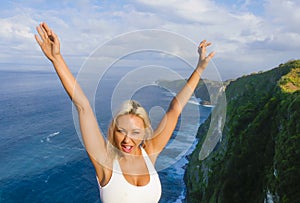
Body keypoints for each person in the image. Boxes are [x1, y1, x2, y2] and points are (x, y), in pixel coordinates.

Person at [35, 22, 215, 203]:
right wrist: (57, 59)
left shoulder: (150, 153)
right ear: (113, 130)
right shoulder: (104, 161)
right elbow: (83, 106)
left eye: (135, 132)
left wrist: (199, 68)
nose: (127, 140)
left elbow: (175, 109)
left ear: (144, 132)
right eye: (121, 131)